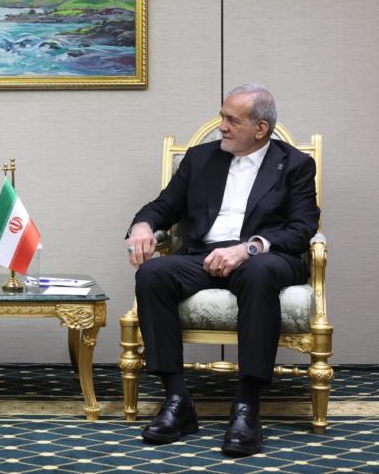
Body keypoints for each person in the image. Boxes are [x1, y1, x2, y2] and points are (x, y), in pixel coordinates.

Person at [125, 84, 319, 456]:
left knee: (258, 274)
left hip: (263, 256)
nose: (221, 126)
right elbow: (162, 206)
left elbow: (301, 228)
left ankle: (247, 405)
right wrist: (143, 226)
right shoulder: (199, 160)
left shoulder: (294, 164)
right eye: (222, 116)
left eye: (232, 120)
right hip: (203, 254)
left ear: (260, 129)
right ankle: (178, 401)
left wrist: (248, 248)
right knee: (152, 274)